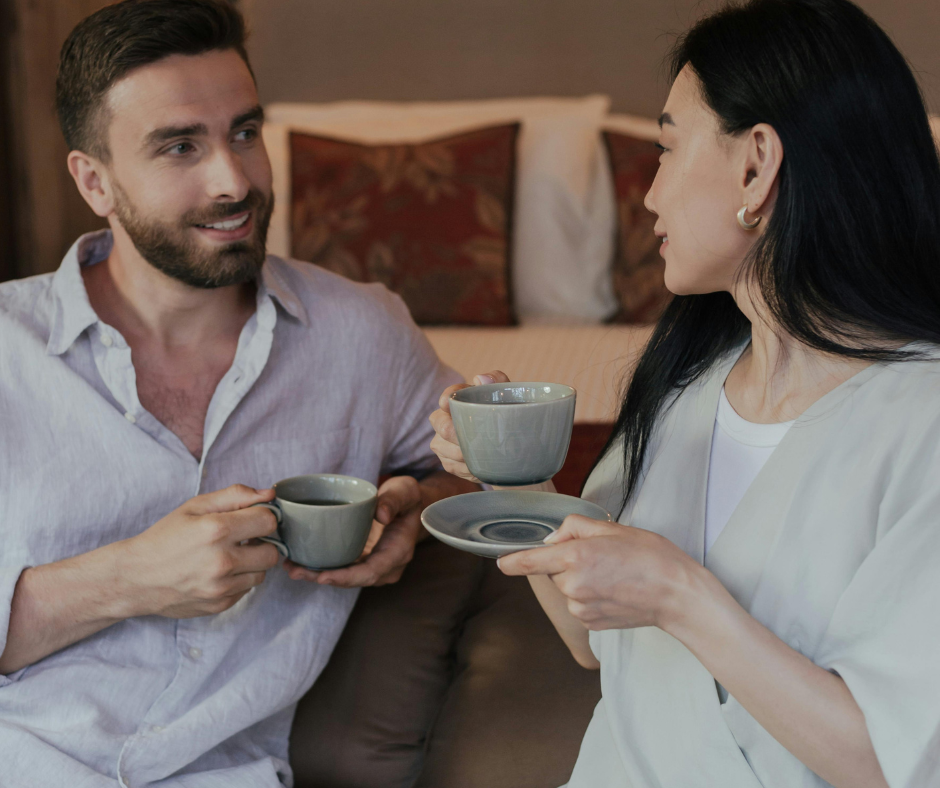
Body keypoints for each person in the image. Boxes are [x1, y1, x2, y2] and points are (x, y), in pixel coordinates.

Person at [429, 1, 940, 786]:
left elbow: (887, 759)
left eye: (667, 148)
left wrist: (681, 595)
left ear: (756, 165)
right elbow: (590, 641)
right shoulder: (686, 389)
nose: (649, 196)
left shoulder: (922, 422)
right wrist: (515, 481)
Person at [0, 1, 477, 785]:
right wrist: (130, 579)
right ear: (95, 182)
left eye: (246, 133)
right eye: (180, 146)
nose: (235, 181)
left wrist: (414, 518)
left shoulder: (362, 333)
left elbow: (465, 466)